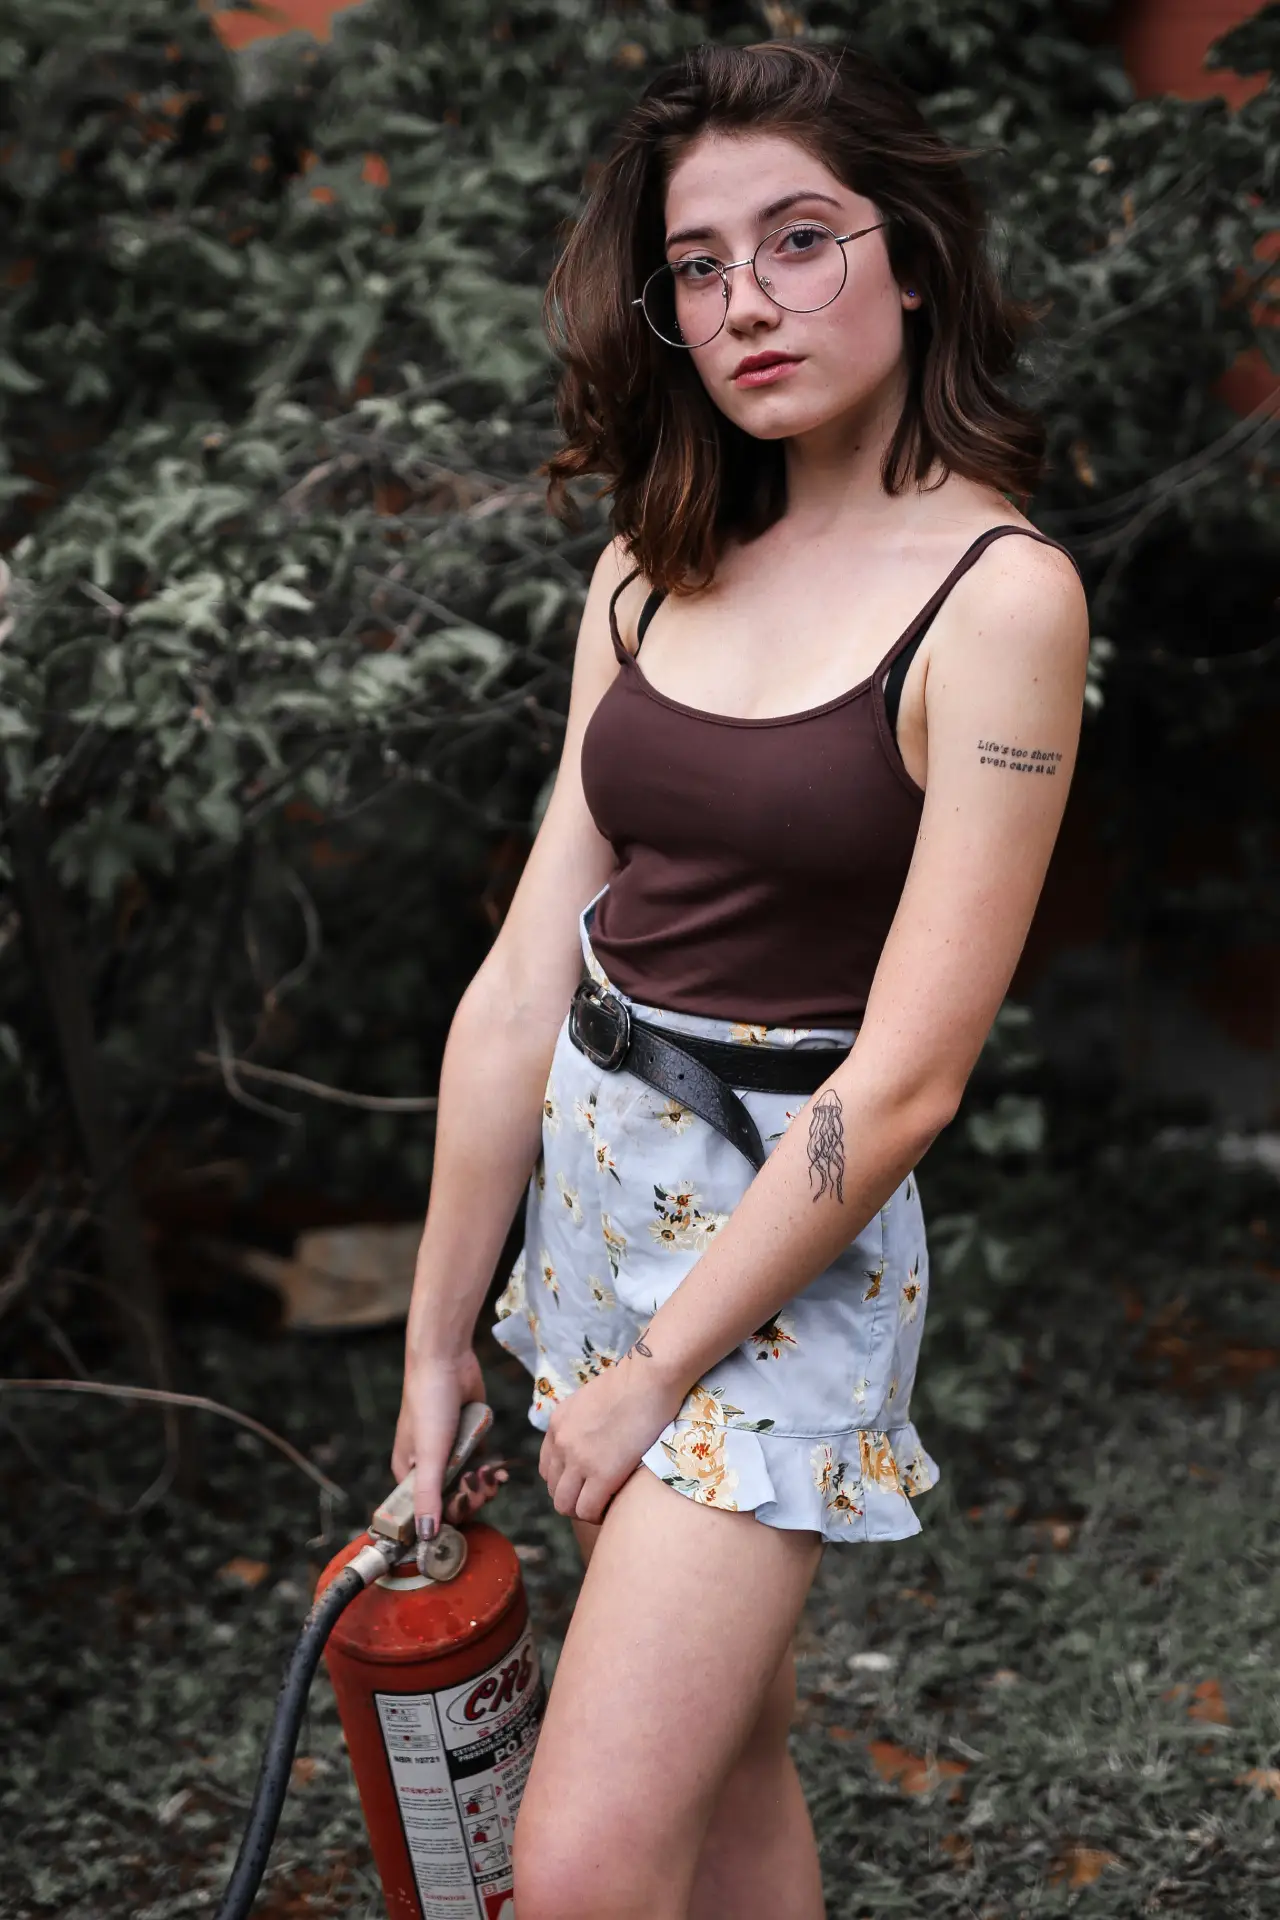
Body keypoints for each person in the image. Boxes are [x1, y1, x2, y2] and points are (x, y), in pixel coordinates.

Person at [391, 37, 1090, 1920]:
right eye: (699, 267)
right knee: (733, 1750)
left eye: (798, 239)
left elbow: (912, 1076)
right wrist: (441, 1340)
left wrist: (656, 1374)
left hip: (780, 1261)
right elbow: (526, 975)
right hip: (594, 1202)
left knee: (582, 1866)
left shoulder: (1000, 598)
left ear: (909, 258)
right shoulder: (652, 563)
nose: (747, 302)